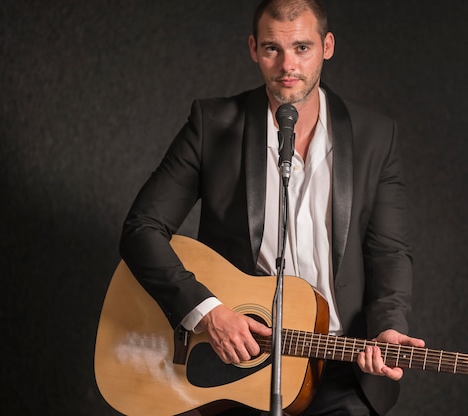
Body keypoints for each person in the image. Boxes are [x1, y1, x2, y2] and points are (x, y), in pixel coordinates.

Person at [119, 0, 425, 414]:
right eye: (271, 49)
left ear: (327, 46)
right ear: (252, 48)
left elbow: (389, 252)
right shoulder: (213, 124)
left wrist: (389, 328)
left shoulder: (375, 136)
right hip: (238, 368)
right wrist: (207, 313)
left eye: (302, 48)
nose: (287, 65)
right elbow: (142, 229)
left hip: (339, 370)